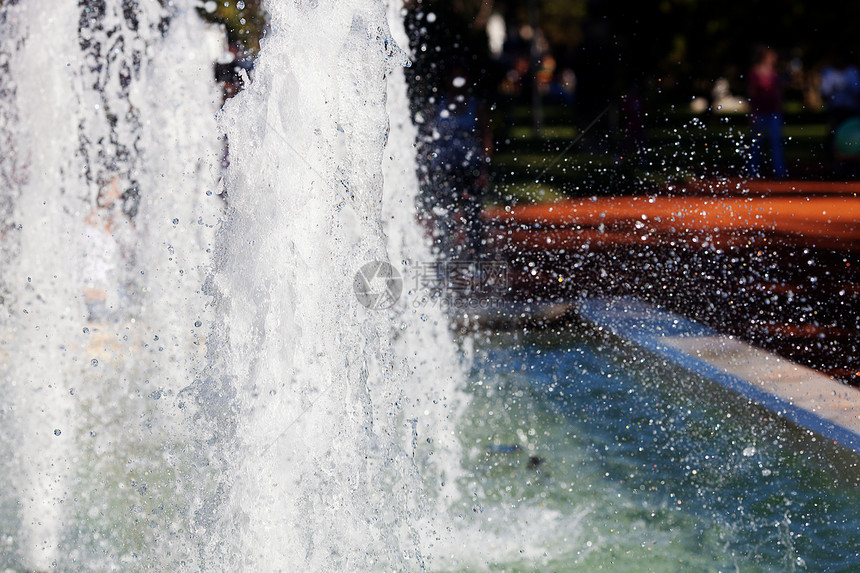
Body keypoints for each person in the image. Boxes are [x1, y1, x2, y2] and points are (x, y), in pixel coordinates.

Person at [747, 46, 788, 179]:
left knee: (776, 142)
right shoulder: (755, 72)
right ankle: (753, 171)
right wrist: (752, 112)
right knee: (756, 143)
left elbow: (779, 93)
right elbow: (751, 93)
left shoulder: (775, 73)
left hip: (773, 112)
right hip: (759, 112)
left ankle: (779, 171)